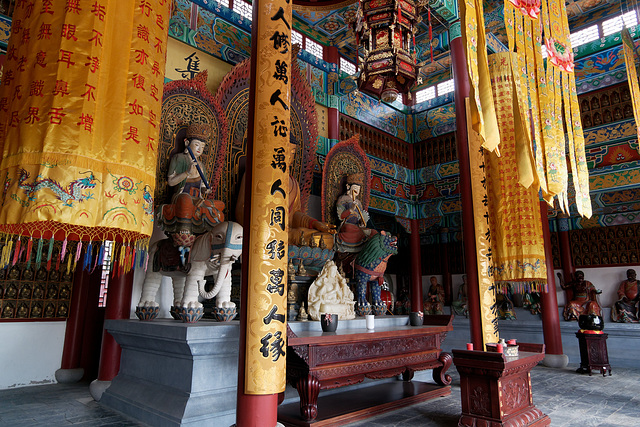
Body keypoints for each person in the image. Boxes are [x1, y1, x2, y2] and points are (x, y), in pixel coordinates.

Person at [234, 142, 335, 248]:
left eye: (292, 152)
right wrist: (290, 235)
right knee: (304, 238)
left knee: (326, 239)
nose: (288, 156)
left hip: (289, 233)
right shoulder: (256, 174)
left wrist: (312, 223)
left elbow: (295, 214)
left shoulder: (293, 182)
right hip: (264, 236)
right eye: (284, 151)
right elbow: (242, 211)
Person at [157, 123, 225, 247]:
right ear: (187, 143)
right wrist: (186, 172)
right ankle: (184, 234)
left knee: (220, 205)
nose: (199, 149)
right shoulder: (179, 159)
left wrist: (206, 190)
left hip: (197, 200)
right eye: (196, 144)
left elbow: (203, 187)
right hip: (182, 197)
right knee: (186, 200)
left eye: (202, 146)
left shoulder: (202, 166)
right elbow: (171, 182)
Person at [335, 173, 376, 253]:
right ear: (348, 187)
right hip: (347, 224)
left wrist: (362, 222)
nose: (357, 190)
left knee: (373, 233)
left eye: (359, 188)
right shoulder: (343, 199)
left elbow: (360, 218)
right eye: (355, 188)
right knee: (350, 228)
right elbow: (341, 216)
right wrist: (351, 209)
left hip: (357, 226)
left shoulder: (358, 202)